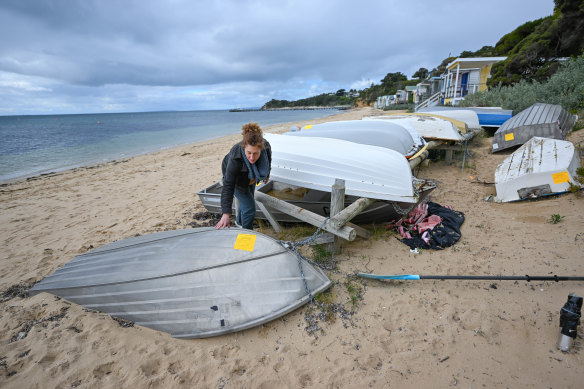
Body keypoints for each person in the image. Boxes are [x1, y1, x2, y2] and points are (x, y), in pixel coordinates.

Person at [215, 122, 271, 230]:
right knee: (249, 208)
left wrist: (267, 173)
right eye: (248, 152)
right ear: (244, 146)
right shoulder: (236, 157)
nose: (251, 157)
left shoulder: (266, 145)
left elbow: (269, 159)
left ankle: (239, 222)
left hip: (253, 174)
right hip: (237, 176)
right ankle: (247, 232)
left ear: (261, 149)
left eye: (256, 153)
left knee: (247, 198)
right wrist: (226, 213)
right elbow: (228, 185)